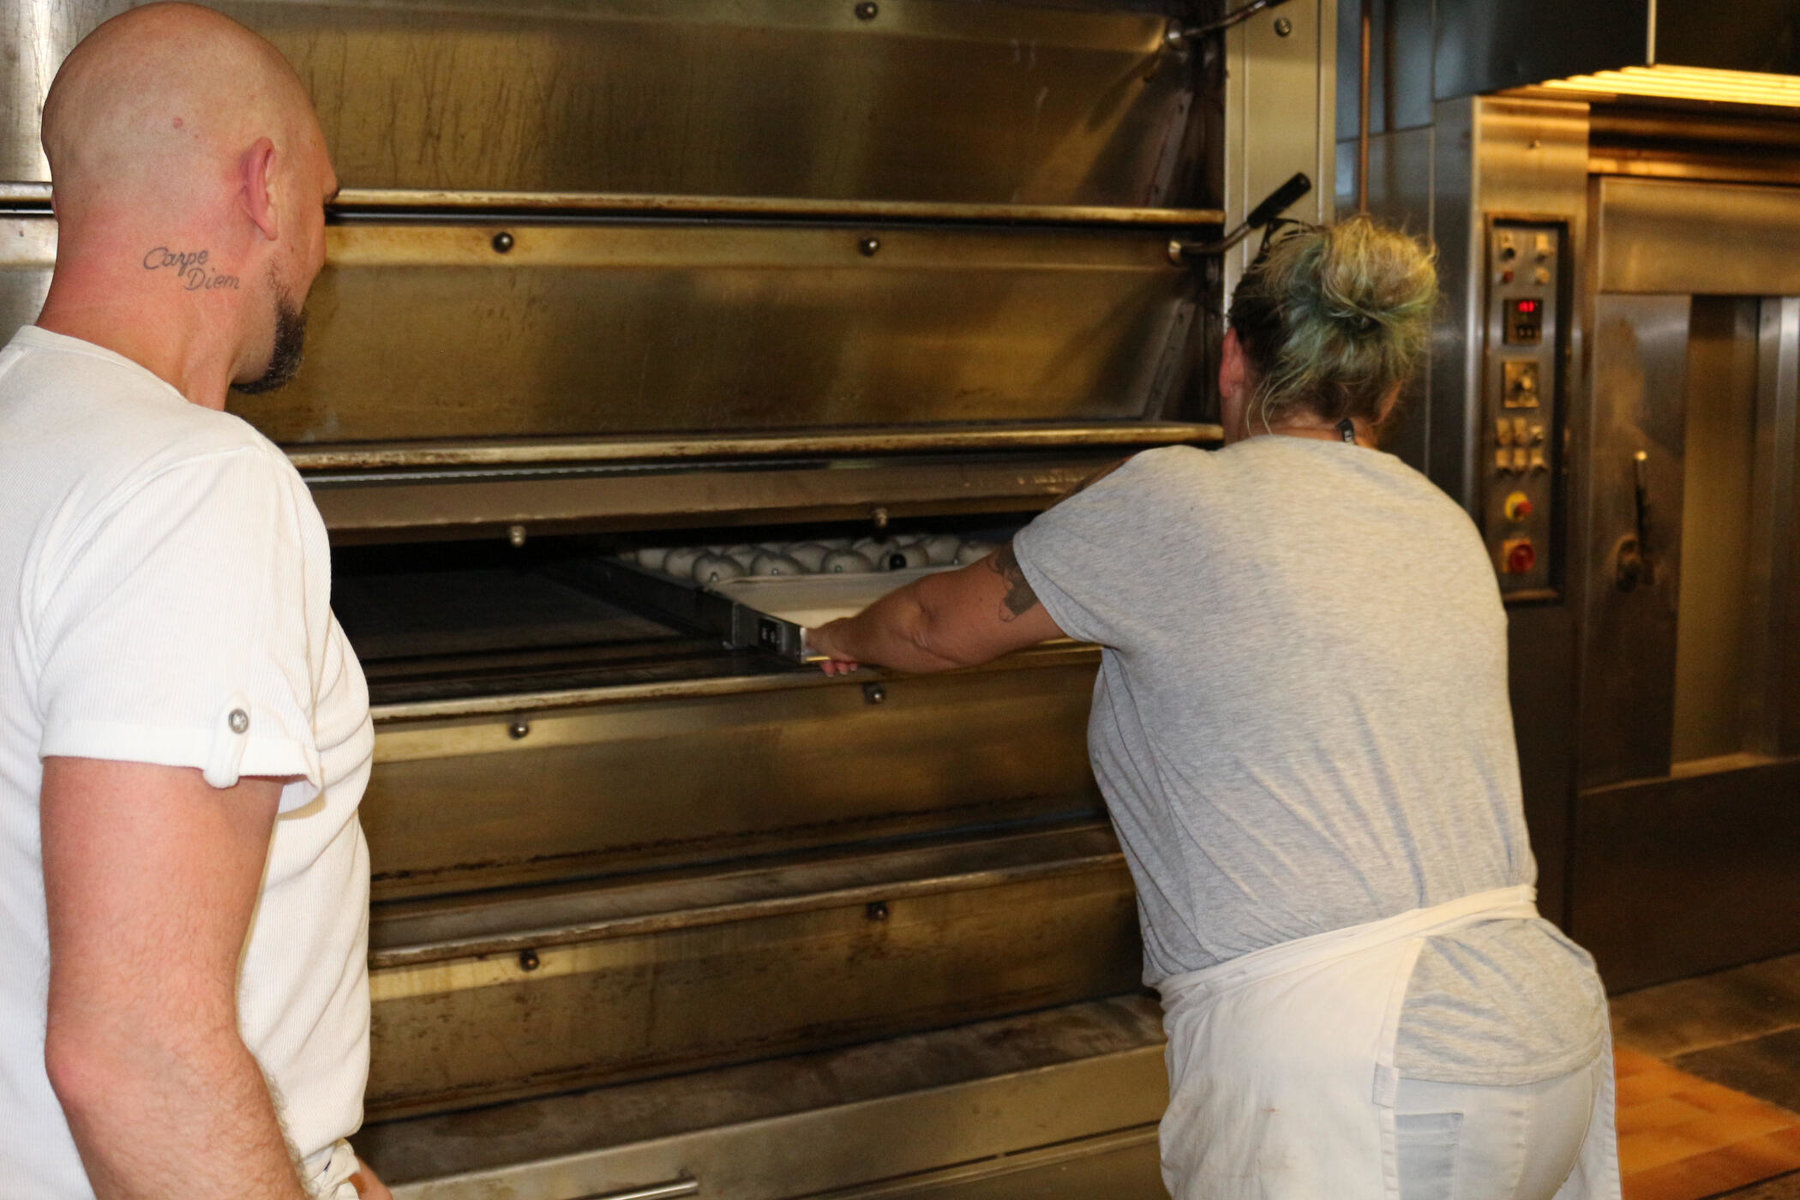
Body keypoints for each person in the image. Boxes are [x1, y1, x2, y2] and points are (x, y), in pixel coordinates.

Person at [807, 216, 1619, 1200]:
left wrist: (834, 631)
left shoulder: (1179, 501)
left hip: (1356, 1063)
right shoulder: (1441, 521)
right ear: (1388, 390)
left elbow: (936, 623)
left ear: (1232, 357)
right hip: (1544, 1021)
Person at [0, 5, 387, 1198]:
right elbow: (136, 1058)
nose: (321, 250)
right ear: (265, 188)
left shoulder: (25, 425)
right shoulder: (194, 486)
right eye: (326, 204)